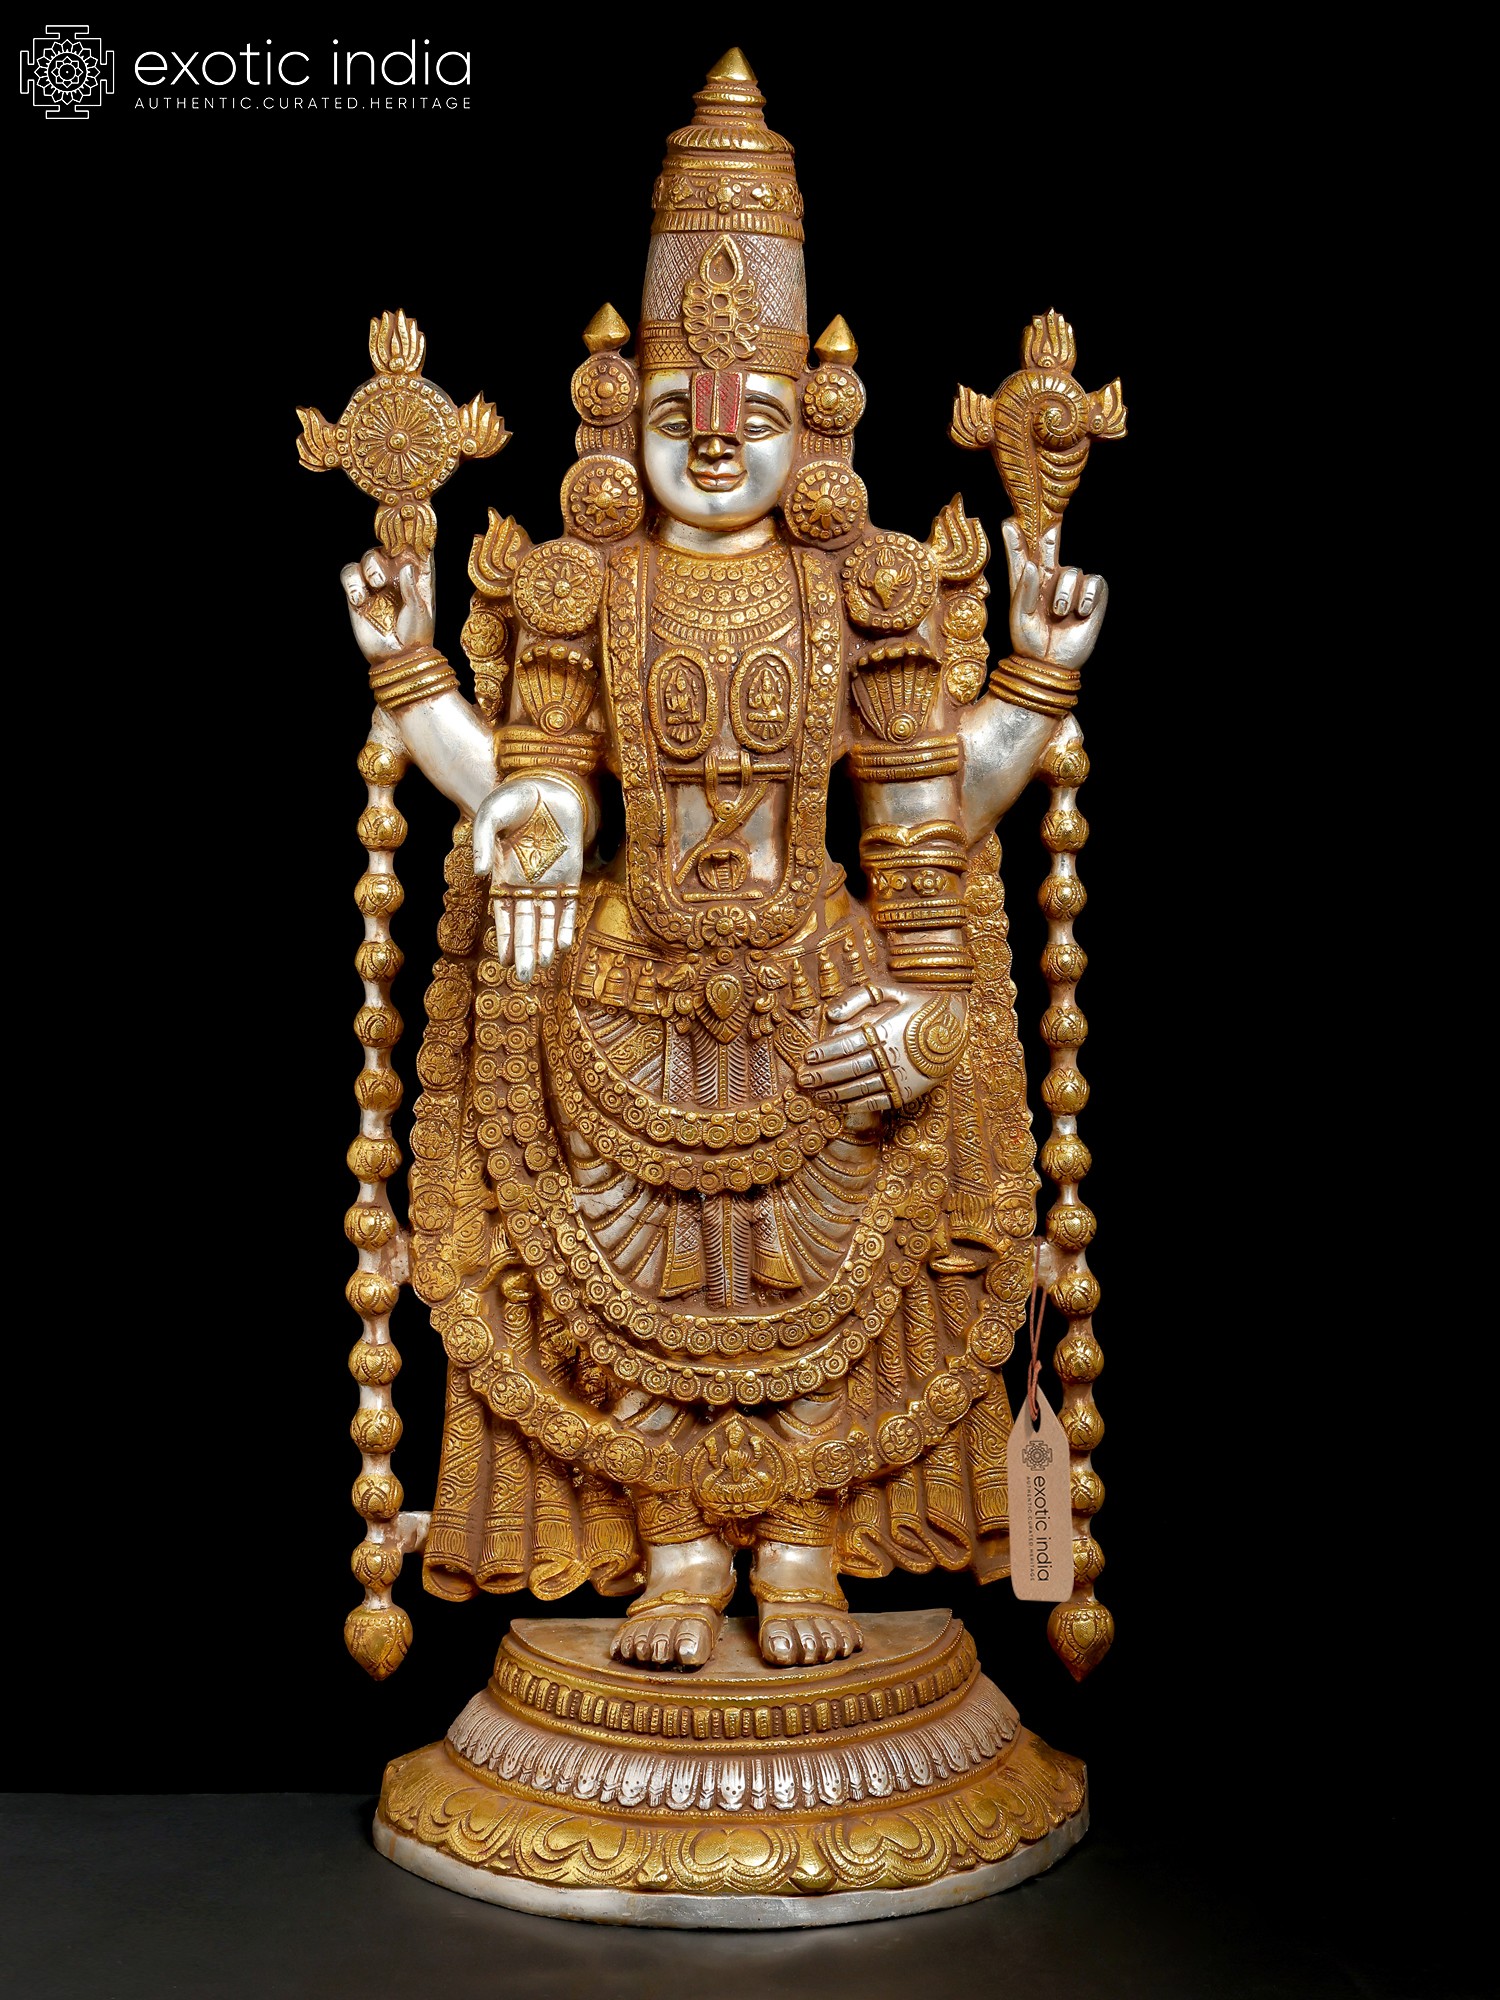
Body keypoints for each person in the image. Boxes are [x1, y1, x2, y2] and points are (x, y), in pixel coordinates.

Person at [339, 51, 1106, 1672]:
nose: (711, 442)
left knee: (819, 1274)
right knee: (638, 1282)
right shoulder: (583, 590)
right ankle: (677, 1552)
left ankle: (806, 1548)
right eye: (681, 412)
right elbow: (536, 800)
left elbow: (921, 824)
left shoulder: (864, 590)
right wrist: (417, 680)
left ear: (810, 425)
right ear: (619, 416)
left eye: (749, 414)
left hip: (821, 982)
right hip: (623, 992)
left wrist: (1033, 691)